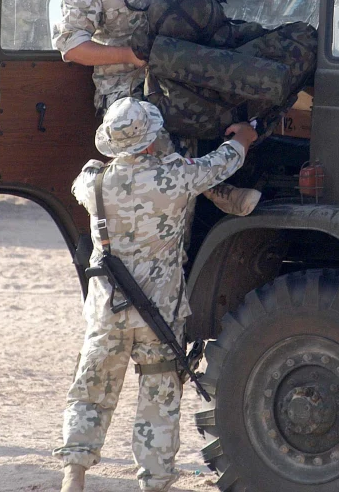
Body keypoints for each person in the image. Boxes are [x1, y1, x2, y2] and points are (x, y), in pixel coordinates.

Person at [58, 98, 258, 492]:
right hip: (159, 315)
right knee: (159, 402)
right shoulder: (176, 178)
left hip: (106, 313)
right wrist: (244, 138)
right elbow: (222, 163)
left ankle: (74, 474)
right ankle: (154, 483)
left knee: (91, 391)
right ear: (152, 141)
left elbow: (85, 174)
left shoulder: (92, 183)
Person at [54, 0, 266, 215]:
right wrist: (128, 56)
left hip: (173, 74)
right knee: (156, 143)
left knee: (215, 112)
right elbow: (71, 46)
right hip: (124, 90)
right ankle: (215, 189)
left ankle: (210, 193)